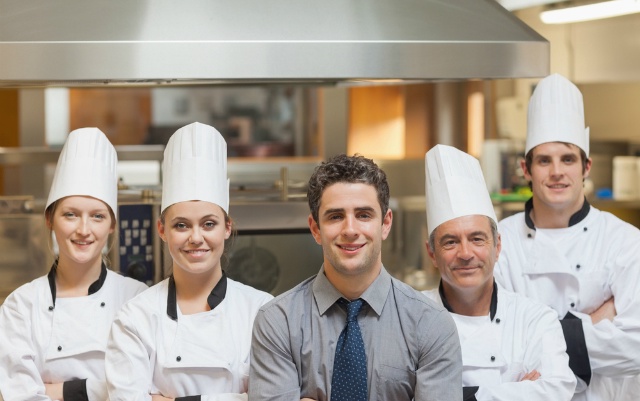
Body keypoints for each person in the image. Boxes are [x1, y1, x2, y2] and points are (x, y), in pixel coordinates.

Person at [248, 154, 462, 401]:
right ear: (316, 229)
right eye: (335, 216)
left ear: (385, 223)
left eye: (363, 215)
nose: (350, 230)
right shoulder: (278, 322)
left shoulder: (430, 324)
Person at [496, 73, 640, 401]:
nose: (557, 171)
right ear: (527, 169)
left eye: (568, 159)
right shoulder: (500, 242)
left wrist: (539, 341)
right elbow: (496, 344)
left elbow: (636, 347)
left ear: (586, 166)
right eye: (544, 160)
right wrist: (594, 322)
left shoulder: (625, 241)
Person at [105, 122, 273, 400]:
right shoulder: (135, 319)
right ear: (162, 230)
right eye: (181, 225)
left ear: (227, 227)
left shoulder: (263, 311)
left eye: (209, 224)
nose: (196, 238)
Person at [0, 128, 148, 401]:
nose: (83, 229)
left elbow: (147, 389)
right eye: (70, 214)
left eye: (97, 216)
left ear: (112, 225)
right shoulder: (20, 307)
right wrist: (105, 387)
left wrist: (53, 390)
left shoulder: (138, 299)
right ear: (49, 219)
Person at [421, 144, 576, 401]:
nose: (465, 253)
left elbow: (557, 391)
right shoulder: (410, 317)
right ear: (431, 253)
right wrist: (517, 392)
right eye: (450, 242)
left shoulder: (535, 320)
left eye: (477, 239)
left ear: (498, 246)